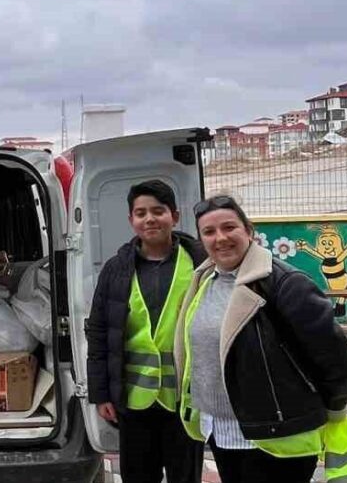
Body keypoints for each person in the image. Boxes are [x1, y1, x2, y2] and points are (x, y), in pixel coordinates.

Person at [174, 195, 347, 483]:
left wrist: (335, 409)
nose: (220, 238)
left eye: (229, 227)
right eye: (209, 231)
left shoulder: (284, 282)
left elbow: (335, 353)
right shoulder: (205, 280)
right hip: (221, 430)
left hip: (277, 434)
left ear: (249, 231)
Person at [85, 180, 206, 483]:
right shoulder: (116, 269)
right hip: (133, 401)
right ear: (131, 220)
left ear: (174, 216)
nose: (149, 219)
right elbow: (98, 332)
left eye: (158, 211)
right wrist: (101, 394)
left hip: (185, 400)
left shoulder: (201, 263)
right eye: (141, 213)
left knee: (185, 477)